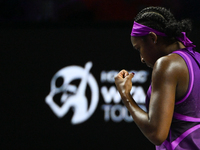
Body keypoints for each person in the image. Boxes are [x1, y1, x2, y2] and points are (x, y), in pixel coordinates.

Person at [114, 6, 200, 150]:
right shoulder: (197, 59)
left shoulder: (166, 65)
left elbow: (157, 134)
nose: (141, 58)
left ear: (152, 38)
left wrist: (125, 95)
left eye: (139, 48)